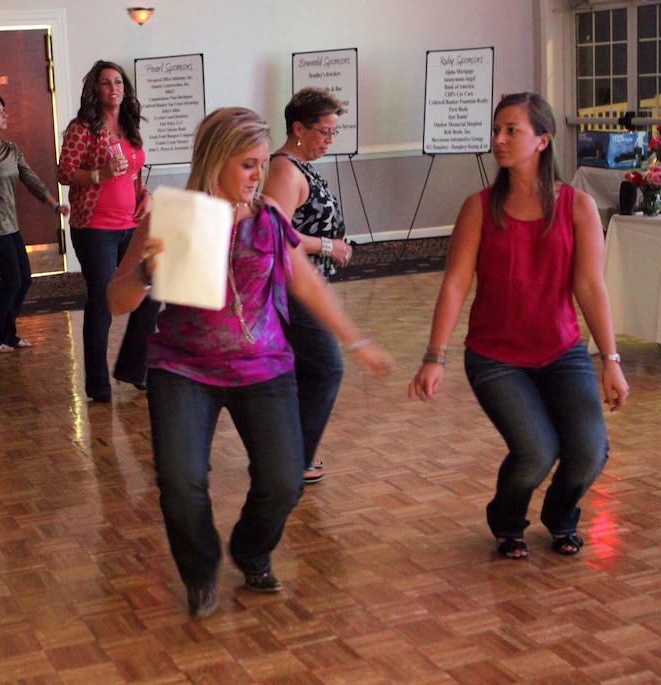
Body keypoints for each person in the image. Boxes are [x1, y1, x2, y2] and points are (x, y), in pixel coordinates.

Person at [107, 107, 392, 619]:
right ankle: (199, 572)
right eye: (247, 164)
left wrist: (357, 341)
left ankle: (251, 549)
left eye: (262, 164)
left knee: (284, 480)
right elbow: (115, 301)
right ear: (215, 160)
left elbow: (306, 282)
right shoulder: (171, 217)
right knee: (180, 479)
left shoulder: (268, 219)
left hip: (263, 367)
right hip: (184, 368)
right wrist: (149, 271)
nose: (259, 176)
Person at [408, 92, 629, 560]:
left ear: (542, 141)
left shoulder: (577, 207)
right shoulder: (479, 208)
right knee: (535, 451)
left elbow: (591, 287)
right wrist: (435, 356)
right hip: (495, 357)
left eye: (512, 130)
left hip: (561, 351)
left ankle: (559, 517)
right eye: (496, 130)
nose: (499, 140)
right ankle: (507, 521)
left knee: (589, 452)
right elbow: (454, 285)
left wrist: (611, 360)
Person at [264, 87, 354, 486]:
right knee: (327, 369)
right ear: (298, 128)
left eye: (334, 133)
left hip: (304, 284)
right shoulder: (284, 169)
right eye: (324, 132)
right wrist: (329, 245)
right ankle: (296, 460)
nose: (329, 141)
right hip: (292, 286)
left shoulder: (298, 164)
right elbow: (275, 234)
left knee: (305, 371)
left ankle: (289, 455)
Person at [58, 60, 159, 403]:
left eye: (118, 82)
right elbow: (65, 172)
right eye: (105, 83)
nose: (113, 88)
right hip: (95, 228)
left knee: (150, 288)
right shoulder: (82, 128)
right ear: (95, 90)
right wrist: (99, 174)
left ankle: (133, 367)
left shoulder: (129, 126)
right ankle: (98, 386)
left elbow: (133, 174)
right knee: (102, 301)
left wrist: (144, 195)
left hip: (131, 225)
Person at [0, 93, 69, 354]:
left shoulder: (12, 149)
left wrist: (54, 203)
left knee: (23, 279)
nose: (4, 115)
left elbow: (31, 179)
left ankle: (7, 334)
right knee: (11, 281)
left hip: (9, 225)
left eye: (3, 110)